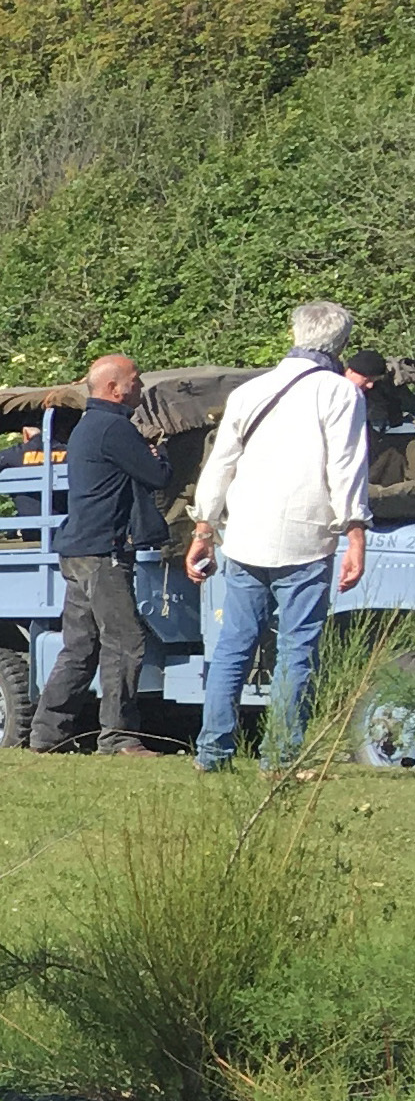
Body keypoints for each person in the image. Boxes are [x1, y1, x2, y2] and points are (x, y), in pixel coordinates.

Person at [187, 301, 371, 769]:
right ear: (340, 343)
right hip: (307, 538)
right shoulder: (340, 394)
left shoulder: (250, 391)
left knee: (233, 647)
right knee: (297, 650)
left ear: (294, 332)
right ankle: (282, 755)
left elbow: (220, 462)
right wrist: (356, 535)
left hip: (247, 534)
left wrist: (204, 526)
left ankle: (213, 751)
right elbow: (346, 468)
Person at [26, 355, 167, 756]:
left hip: (77, 548)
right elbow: (157, 477)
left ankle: (47, 733)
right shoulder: (115, 427)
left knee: (80, 646)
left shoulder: (87, 427)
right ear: (114, 388)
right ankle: (119, 737)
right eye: (135, 380)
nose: (140, 386)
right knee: (125, 641)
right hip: (104, 551)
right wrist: (162, 454)